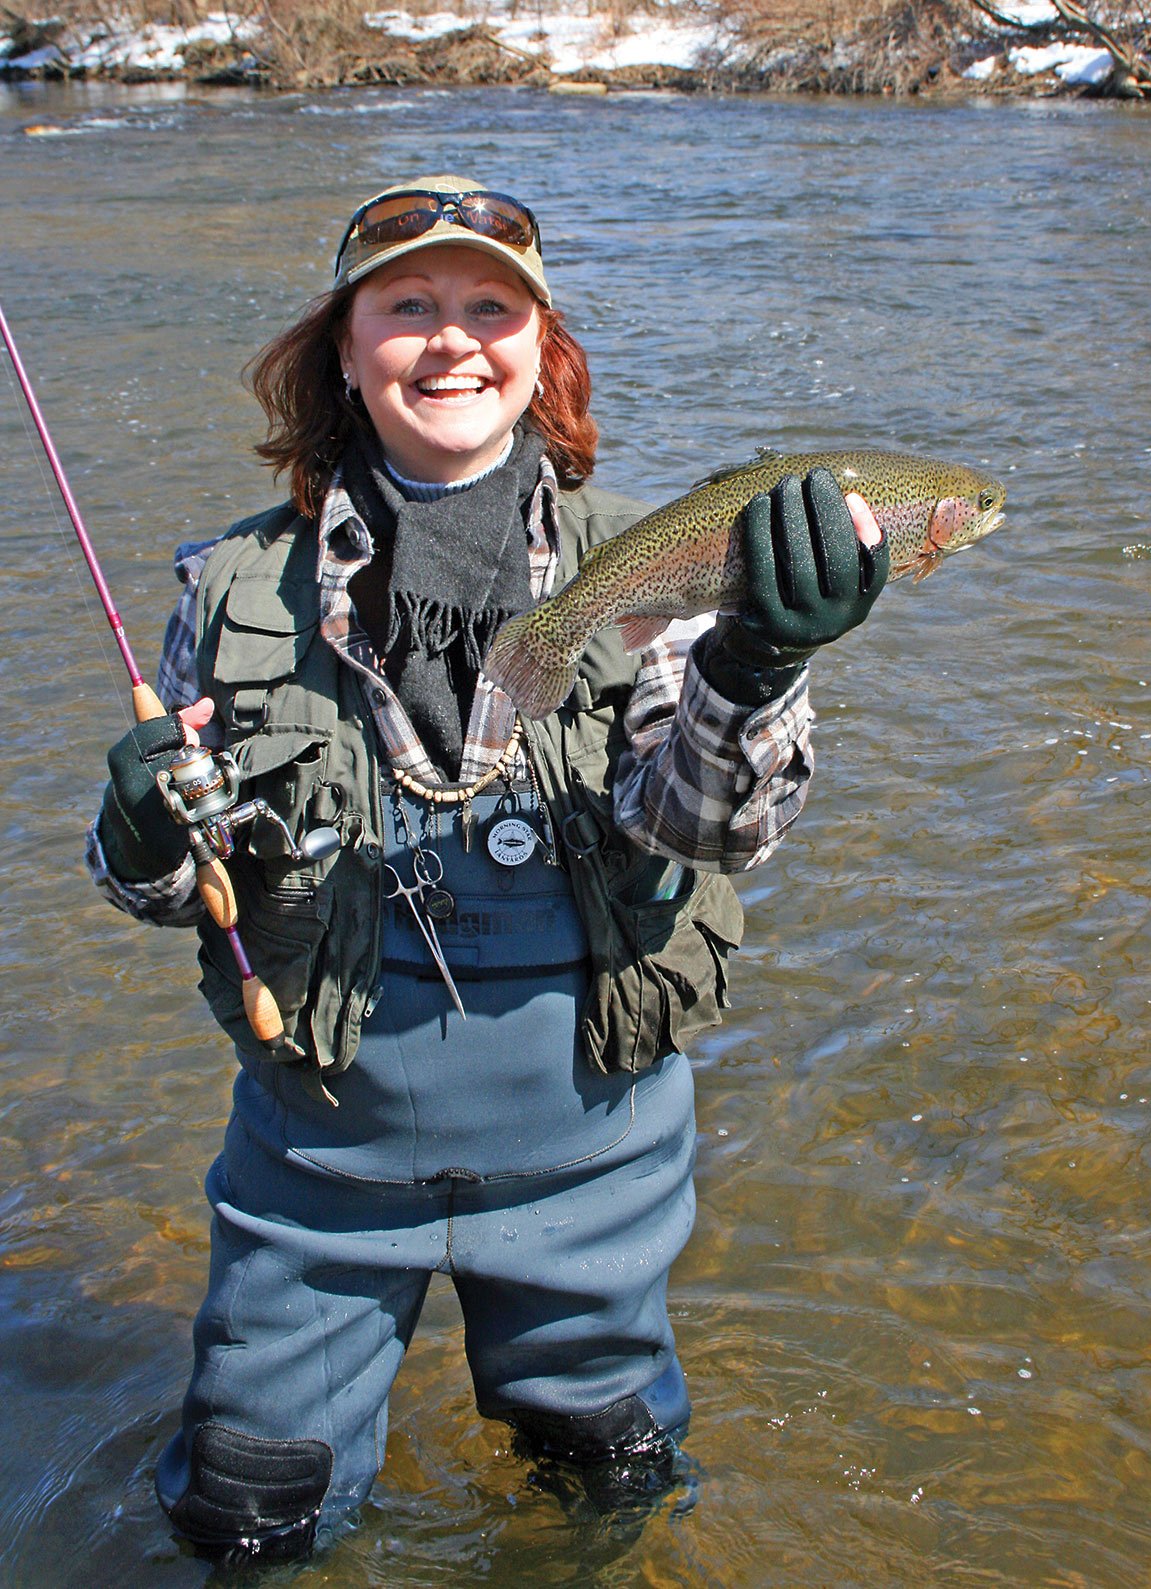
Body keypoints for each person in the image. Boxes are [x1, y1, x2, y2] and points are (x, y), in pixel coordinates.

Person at [87, 175, 888, 1566]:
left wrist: (760, 661)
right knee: (243, 1510)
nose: (451, 340)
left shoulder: (674, 555)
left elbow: (714, 829)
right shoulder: (226, 587)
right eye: (407, 307)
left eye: (489, 308)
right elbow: (170, 894)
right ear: (343, 350)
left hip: (600, 1164)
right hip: (315, 1171)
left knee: (606, 1502)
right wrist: (149, 830)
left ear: (541, 349)